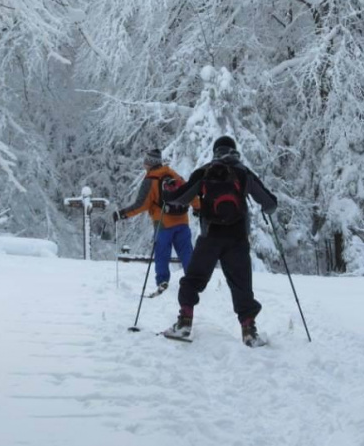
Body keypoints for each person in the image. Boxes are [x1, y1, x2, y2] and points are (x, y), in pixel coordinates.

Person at [161, 135, 277, 346]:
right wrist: (269, 207)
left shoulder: (205, 171)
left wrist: (167, 191)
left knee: (194, 279)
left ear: (215, 151)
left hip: (210, 236)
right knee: (242, 285)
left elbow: (180, 197)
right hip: (237, 238)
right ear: (234, 151)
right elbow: (269, 201)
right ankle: (249, 330)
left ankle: (184, 322)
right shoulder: (243, 172)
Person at [112, 149, 197, 296]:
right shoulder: (174, 175)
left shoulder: (150, 180)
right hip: (182, 221)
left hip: (163, 223)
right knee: (186, 251)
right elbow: (189, 193)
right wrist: (199, 207)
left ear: (149, 163)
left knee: (161, 253)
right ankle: (194, 281)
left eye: (146, 161)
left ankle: (163, 281)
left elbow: (141, 204)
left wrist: (122, 214)